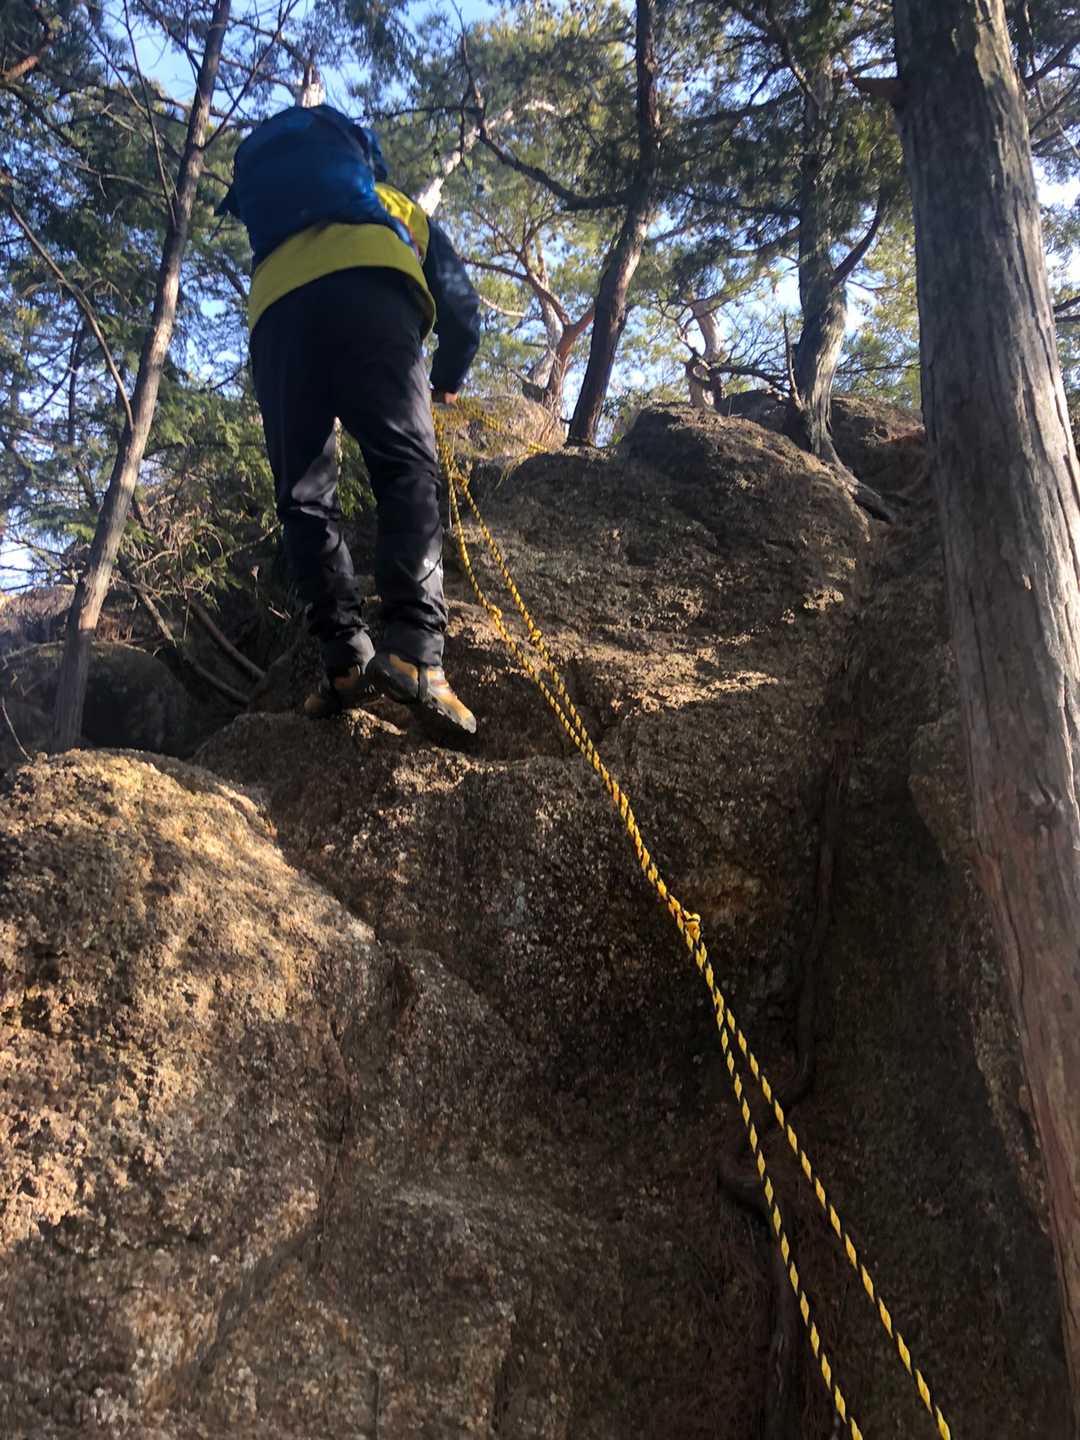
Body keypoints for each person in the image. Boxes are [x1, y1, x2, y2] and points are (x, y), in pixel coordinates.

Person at [222, 103, 482, 735]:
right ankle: (415, 652)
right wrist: (446, 380)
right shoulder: (393, 205)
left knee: (304, 494)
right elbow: (461, 305)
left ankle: (344, 658)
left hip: (277, 313)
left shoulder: (279, 228)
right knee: (403, 465)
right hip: (373, 297)